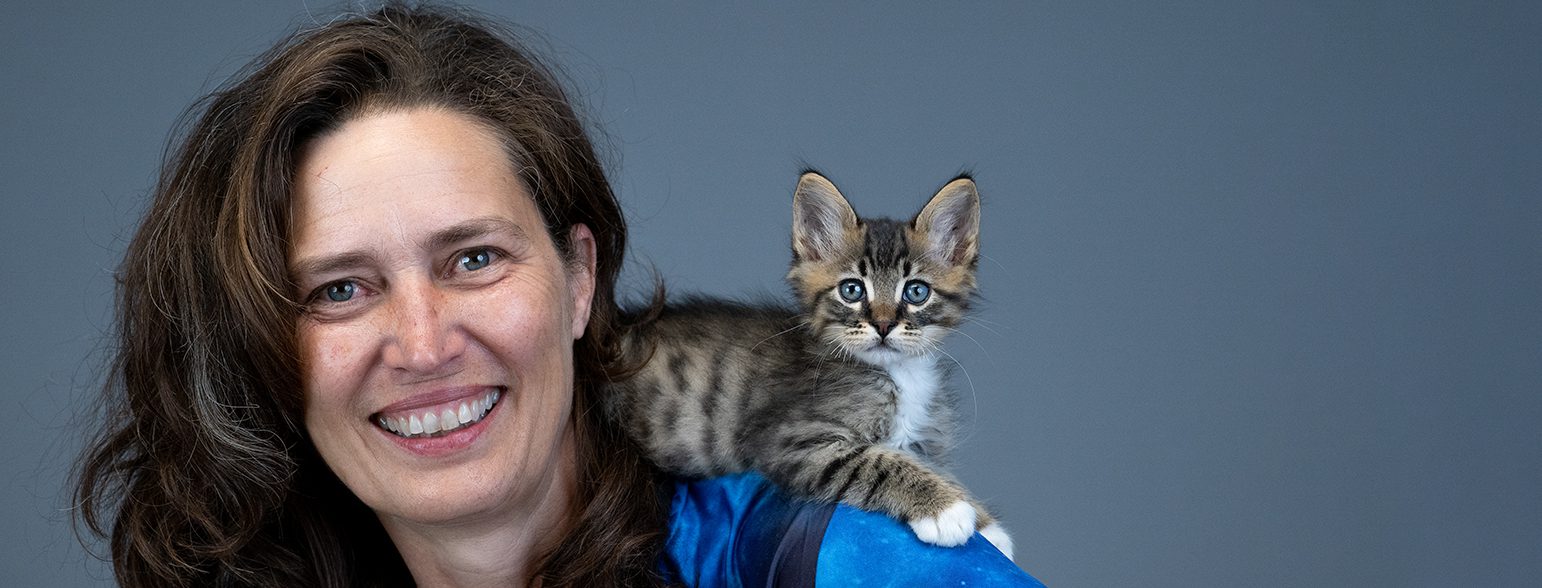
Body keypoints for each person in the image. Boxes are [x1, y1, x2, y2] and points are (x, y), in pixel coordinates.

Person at [72, 4, 1042, 586]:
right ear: (259, 341)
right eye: (341, 287)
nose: (423, 343)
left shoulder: (854, 566)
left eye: (473, 260)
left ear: (580, 280)